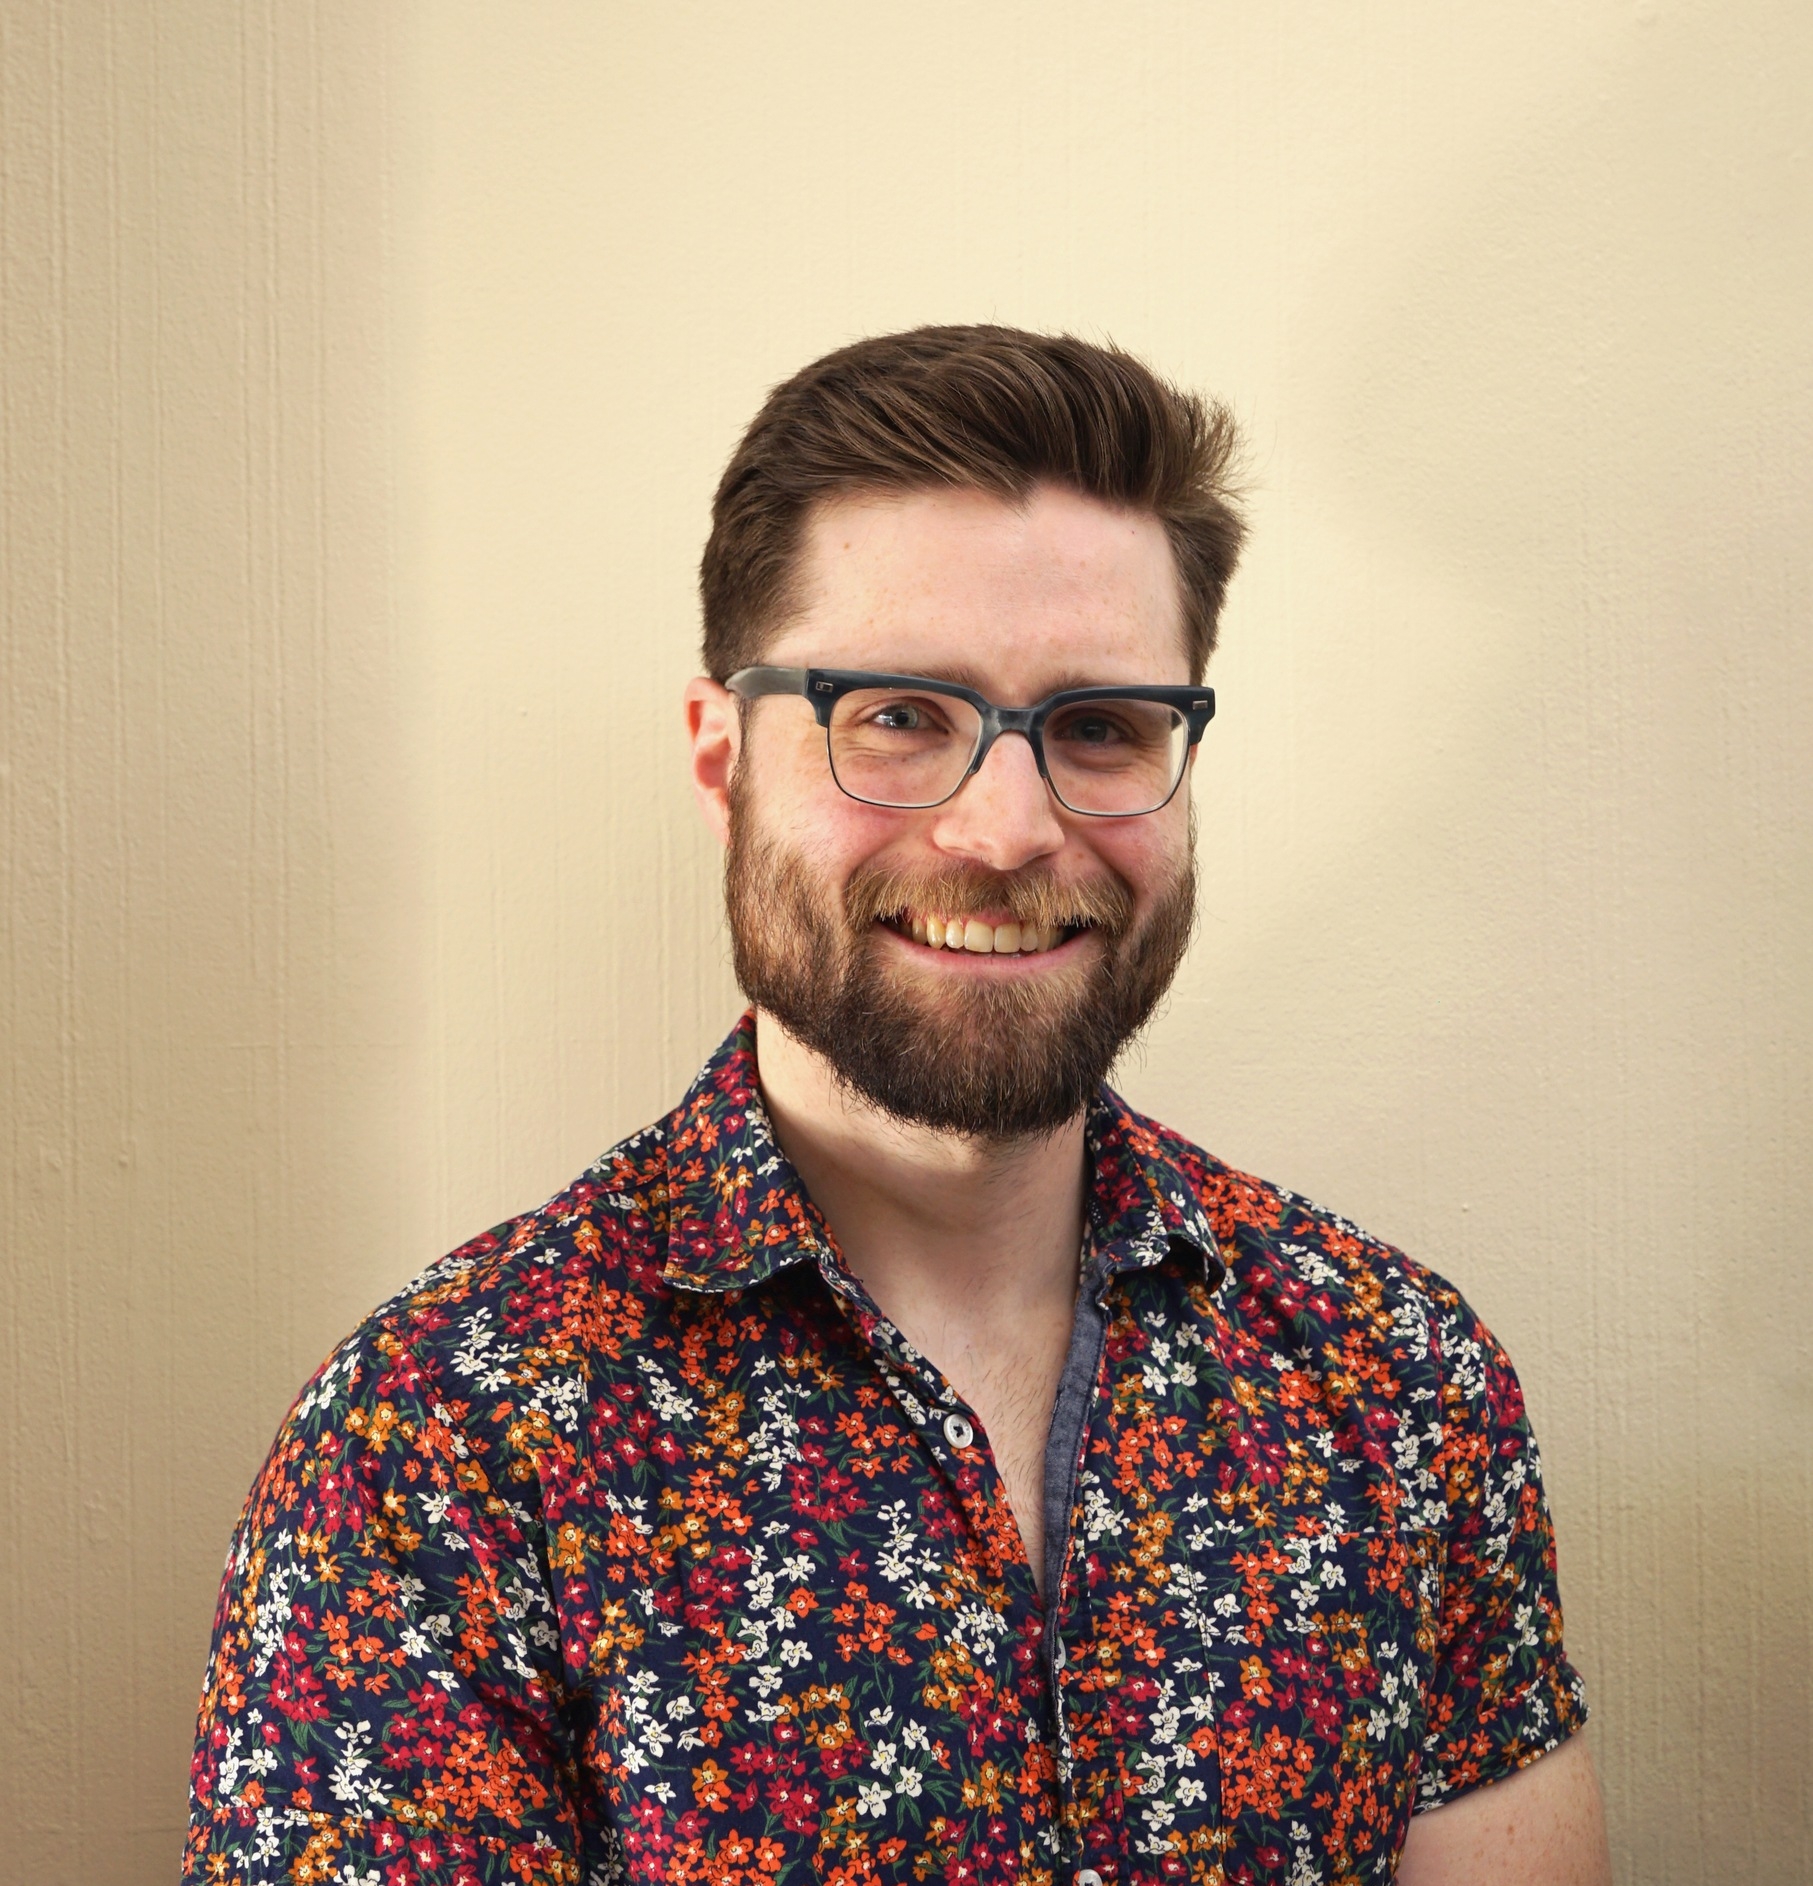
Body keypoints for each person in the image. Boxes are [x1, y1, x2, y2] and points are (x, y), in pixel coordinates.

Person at [184, 327, 1610, 1885]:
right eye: (897, 714)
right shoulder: (439, 1443)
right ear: (720, 759)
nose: (1005, 829)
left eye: (1099, 726)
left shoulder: (1396, 1376)